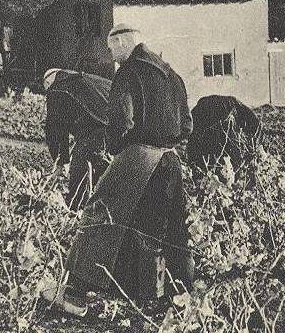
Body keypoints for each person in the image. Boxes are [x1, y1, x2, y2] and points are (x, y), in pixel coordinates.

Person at [43, 25, 194, 316]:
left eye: (113, 48)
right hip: (171, 160)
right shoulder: (172, 73)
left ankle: (76, 294)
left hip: (138, 155)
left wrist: (117, 150)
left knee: (100, 215)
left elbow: (121, 120)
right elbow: (187, 124)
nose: (112, 55)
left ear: (124, 42)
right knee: (170, 230)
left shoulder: (128, 71)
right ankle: (177, 299)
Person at [42, 67, 116, 210]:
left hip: (98, 126)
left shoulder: (57, 89)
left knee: (80, 162)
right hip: (114, 125)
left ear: (48, 81)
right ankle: (105, 203)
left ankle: (75, 208)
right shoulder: (85, 79)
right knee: (100, 162)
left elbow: (55, 128)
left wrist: (61, 161)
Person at [186, 95, 263, 175]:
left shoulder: (199, 110)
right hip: (225, 150)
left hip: (212, 149)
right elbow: (255, 125)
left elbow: (190, 137)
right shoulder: (233, 104)